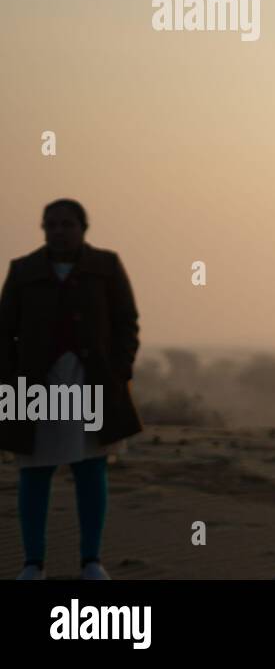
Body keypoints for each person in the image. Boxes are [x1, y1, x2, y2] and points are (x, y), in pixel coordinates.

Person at [0, 199, 143, 580]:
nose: (58, 230)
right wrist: (9, 381)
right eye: (50, 224)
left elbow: (126, 322)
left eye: (66, 223)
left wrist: (119, 372)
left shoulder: (107, 266)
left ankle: (91, 561)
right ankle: (33, 564)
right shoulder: (23, 270)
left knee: (90, 469)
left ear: (83, 227)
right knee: (34, 472)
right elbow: (3, 332)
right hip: (34, 385)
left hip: (90, 380)